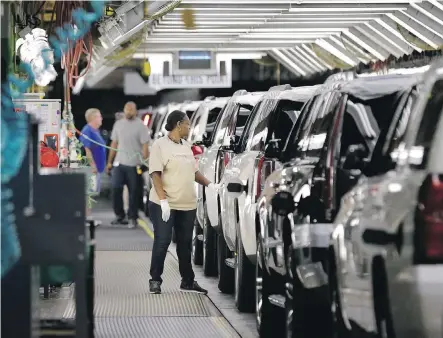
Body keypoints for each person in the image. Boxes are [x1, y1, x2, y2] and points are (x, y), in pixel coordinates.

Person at [148, 110, 218, 295]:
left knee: (185, 244)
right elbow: (155, 173)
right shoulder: (160, 146)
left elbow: (193, 172)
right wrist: (163, 200)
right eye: (187, 123)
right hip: (164, 204)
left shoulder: (186, 146)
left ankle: (187, 281)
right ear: (178, 125)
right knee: (162, 242)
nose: (190, 127)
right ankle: (155, 280)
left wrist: (211, 185)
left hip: (187, 204)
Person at [106, 102, 150, 228]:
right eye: (127, 109)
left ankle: (132, 217)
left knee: (134, 193)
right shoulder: (118, 124)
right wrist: (109, 162)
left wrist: (145, 162)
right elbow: (114, 144)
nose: (129, 111)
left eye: (132, 110)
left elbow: (145, 147)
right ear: (124, 110)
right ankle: (119, 215)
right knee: (116, 189)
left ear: (135, 111)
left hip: (134, 165)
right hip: (119, 164)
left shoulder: (141, 126)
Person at [79, 108, 106, 216]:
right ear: (93, 118)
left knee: (91, 192)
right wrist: (93, 165)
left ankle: (88, 215)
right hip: (90, 168)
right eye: (99, 116)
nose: (101, 119)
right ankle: (86, 216)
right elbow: (87, 149)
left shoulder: (95, 131)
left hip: (96, 168)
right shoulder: (87, 130)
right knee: (88, 193)